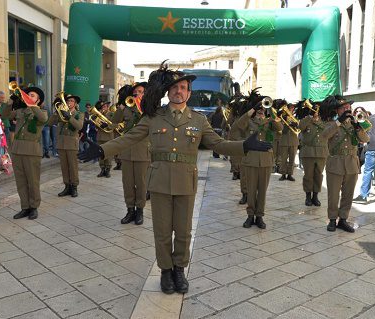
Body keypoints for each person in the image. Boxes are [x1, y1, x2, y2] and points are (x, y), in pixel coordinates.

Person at [79, 65, 272, 295]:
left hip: (185, 182)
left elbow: (217, 144)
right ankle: (165, 270)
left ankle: (179, 269)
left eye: (183, 88)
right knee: (161, 231)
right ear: (168, 92)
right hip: (159, 181)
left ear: (189, 93)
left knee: (183, 231)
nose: (179, 91)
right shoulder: (153, 118)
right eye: (175, 88)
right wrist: (102, 150)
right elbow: (129, 138)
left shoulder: (199, 120)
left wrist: (243, 146)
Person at [235, 94, 283, 229]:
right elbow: (239, 125)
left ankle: (259, 216)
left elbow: (280, 129)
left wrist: (272, 114)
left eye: (263, 107)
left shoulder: (270, 122)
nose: (262, 109)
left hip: (266, 161)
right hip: (250, 160)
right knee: (251, 190)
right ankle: (250, 215)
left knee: (262, 190)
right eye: (259, 107)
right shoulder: (249, 120)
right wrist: (251, 110)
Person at [322, 96, 369, 233]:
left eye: (348, 107)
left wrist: (358, 127)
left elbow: (366, 139)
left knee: (348, 194)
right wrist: (339, 121)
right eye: (344, 108)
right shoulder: (331, 123)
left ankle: (343, 219)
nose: (347, 109)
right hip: (335, 163)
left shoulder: (355, 123)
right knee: (333, 194)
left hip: (352, 163)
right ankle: (332, 219)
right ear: (337, 110)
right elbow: (325, 135)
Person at [2, 86, 48, 220]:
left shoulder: (41, 111)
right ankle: (25, 207)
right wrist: (11, 101)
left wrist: (31, 104)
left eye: (32, 95)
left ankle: (34, 207)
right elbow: (4, 115)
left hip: (31, 151)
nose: (29, 96)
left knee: (33, 181)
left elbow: (43, 119)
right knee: (21, 181)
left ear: (39, 100)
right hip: (17, 150)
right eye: (28, 95)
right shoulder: (20, 111)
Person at [111, 82, 150, 225]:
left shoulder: (149, 110)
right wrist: (121, 106)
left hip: (142, 151)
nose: (137, 94)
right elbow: (114, 121)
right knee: (127, 183)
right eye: (135, 92)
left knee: (141, 183)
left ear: (145, 93)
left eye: (140, 91)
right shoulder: (127, 108)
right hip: (127, 151)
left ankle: (140, 211)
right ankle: (130, 210)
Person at [49, 93, 84, 197]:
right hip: (61, 143)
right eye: (68, 101)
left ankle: (74, 187)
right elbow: (50, 123)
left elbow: (79, 126)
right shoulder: (60, 113)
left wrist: (69, 117)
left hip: (71, 143)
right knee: (64, 166)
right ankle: (67, 186)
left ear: (75, 103)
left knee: (72, 166)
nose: (69, 103)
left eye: (71, 101)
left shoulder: (79, 114)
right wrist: (56, 112)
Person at [296, 100, 328, 206]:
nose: (316, 110)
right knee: (308, 175)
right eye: (315, 108)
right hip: (308, 152)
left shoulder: (324, 121)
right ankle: (308, 196)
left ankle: (315, 196)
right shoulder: (306, 120)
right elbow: (300, 127)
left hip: (321, 152)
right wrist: (310, 117)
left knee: (318, 175)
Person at [278, 101, 299, 181]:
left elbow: (299, 128)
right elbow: (280, 130)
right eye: (290, 108)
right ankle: (283, 174)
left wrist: (295, 125)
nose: (291, 110)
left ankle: (290, 174)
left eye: (292, 109)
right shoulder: (282, 118)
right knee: (283, 159)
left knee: (292, 159)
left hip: (293, 141)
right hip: (284, 141)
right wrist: (287, 125)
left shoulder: (295, 118)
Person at [95, 101, 115, 178]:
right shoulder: (99, 115)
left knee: (108, 153)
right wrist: (98, 124)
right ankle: (102, 169)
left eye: (105, 106)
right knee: (100, 154)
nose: (103, 108)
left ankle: (108, 170)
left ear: (107, 107)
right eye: (102, 107)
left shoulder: (112, 114)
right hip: (100, 137)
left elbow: (114, 124)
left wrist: (107, 125)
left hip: (108, 137)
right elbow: (96, 126)